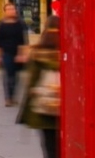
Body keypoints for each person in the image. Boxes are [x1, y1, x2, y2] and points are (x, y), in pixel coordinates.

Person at [16, 27, 62, 158]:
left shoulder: (37, 55)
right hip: (65, 109)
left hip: (45, 107)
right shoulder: (67, 56)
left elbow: (31, 82)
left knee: (49, 144)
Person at [0, 5, 31, 106]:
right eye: (9, 9)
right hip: (6, 53)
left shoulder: (20, 24)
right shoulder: (0, 24)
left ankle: (13, 96)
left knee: (16, 77)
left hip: (18, 53)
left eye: (13, 9)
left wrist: (23, 54)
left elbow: (24, 40)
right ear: (5, 11)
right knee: (8, 75)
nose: (11, 11)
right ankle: (8, 98)